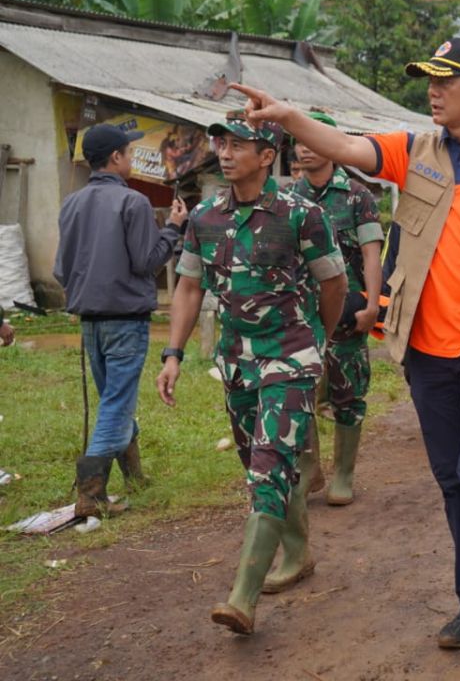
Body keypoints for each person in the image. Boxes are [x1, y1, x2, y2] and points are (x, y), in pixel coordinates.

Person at [228, 37, 460, 670]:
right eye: (429, 80)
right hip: (424, 346)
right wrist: (286, 116)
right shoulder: (413, 152)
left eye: (445, 81)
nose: (432, 90)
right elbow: (343, 147)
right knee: (451, 479)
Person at [156, 112, 347, 634]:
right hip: (237, 361)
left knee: (270, 463)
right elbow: (190, 287)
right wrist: (172, 353)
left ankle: (242, 597)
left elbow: (333, 283)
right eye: (221, 142)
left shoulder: (300, 214)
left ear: (267, 156)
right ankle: (298, 551)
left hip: (290, 354)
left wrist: (316, 342)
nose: (224, 151)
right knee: (257, 461)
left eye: (239, 144)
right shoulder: (205, 216)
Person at [54, 123, 188, 517]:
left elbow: (61, 269)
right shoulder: (133, 203)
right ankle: (91, 496)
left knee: (113, 398)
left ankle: (134, 475)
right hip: (126, 320)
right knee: (116, 402)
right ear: (116, 158)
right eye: (129, 154)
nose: (132, 159)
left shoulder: (71, 203)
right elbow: (147, 262)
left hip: (90, 320)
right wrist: (174, 229)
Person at [290, 112, 384, 511]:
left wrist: (373, 306)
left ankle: (344, 473)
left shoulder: (357, 195)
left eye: (314, 139)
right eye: (299, 141)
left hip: (347, 311)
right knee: (298, 393)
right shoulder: (287, 198)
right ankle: (311, 469)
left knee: (348, 391)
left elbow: (371, 254)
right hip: (301, 314)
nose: (306, 147)